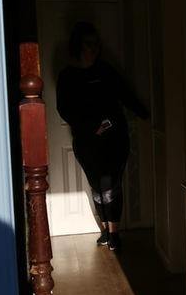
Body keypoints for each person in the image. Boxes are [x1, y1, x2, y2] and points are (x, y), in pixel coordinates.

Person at [56, 21, 148, 252]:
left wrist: (145, 114)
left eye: (96, 43)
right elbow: (64, 109)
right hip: (86, 142)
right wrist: (91, 128)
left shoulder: (106, 71)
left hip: (114, 139)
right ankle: (106, 231)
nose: (94, 48)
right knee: (96, 186)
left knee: (110, 185)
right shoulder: (67, 76)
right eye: (89, 44)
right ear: (78, 45)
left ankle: (114, 234)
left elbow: (125, 95)